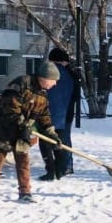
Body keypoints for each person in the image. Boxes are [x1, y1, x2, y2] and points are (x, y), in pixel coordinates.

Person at [0, 62, 62, 206]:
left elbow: (44, 117)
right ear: (45, 77)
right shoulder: (21, 84)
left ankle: (25, 193)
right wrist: (23, 126)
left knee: (23, 164)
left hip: (22, 135)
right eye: (54, 81)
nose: (55, 84)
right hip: (4, 131)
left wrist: (52, 135)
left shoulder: (42, 95)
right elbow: (9, 107)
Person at [38, 48, 76, 181]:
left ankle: (55, 169)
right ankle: (65, 166)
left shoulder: (52, 72)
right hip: (67, 113)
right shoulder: (71, 73)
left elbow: (49, 94)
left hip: (51, 114)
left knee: (47, 142)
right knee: (63, 141)